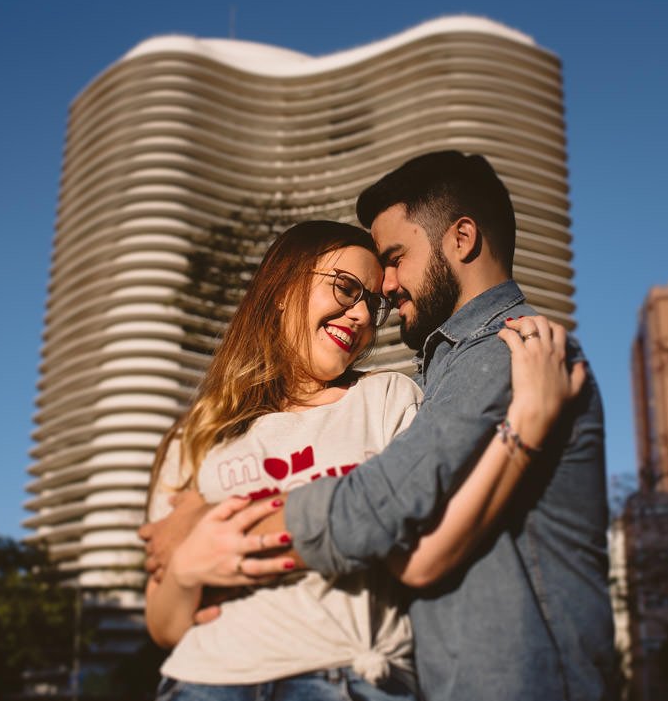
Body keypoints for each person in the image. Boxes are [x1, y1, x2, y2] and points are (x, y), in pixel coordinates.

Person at [144, 151, 616, 701]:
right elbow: (167, 624)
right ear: (280, 288)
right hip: (206, 680)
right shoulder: (200, 433)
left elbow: (384, 516)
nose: (374, 305)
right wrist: (184, 569)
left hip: (363, 679)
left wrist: (205, 523)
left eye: (392, 263)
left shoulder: (505, 350)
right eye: (349, 288)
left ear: (462, 239)